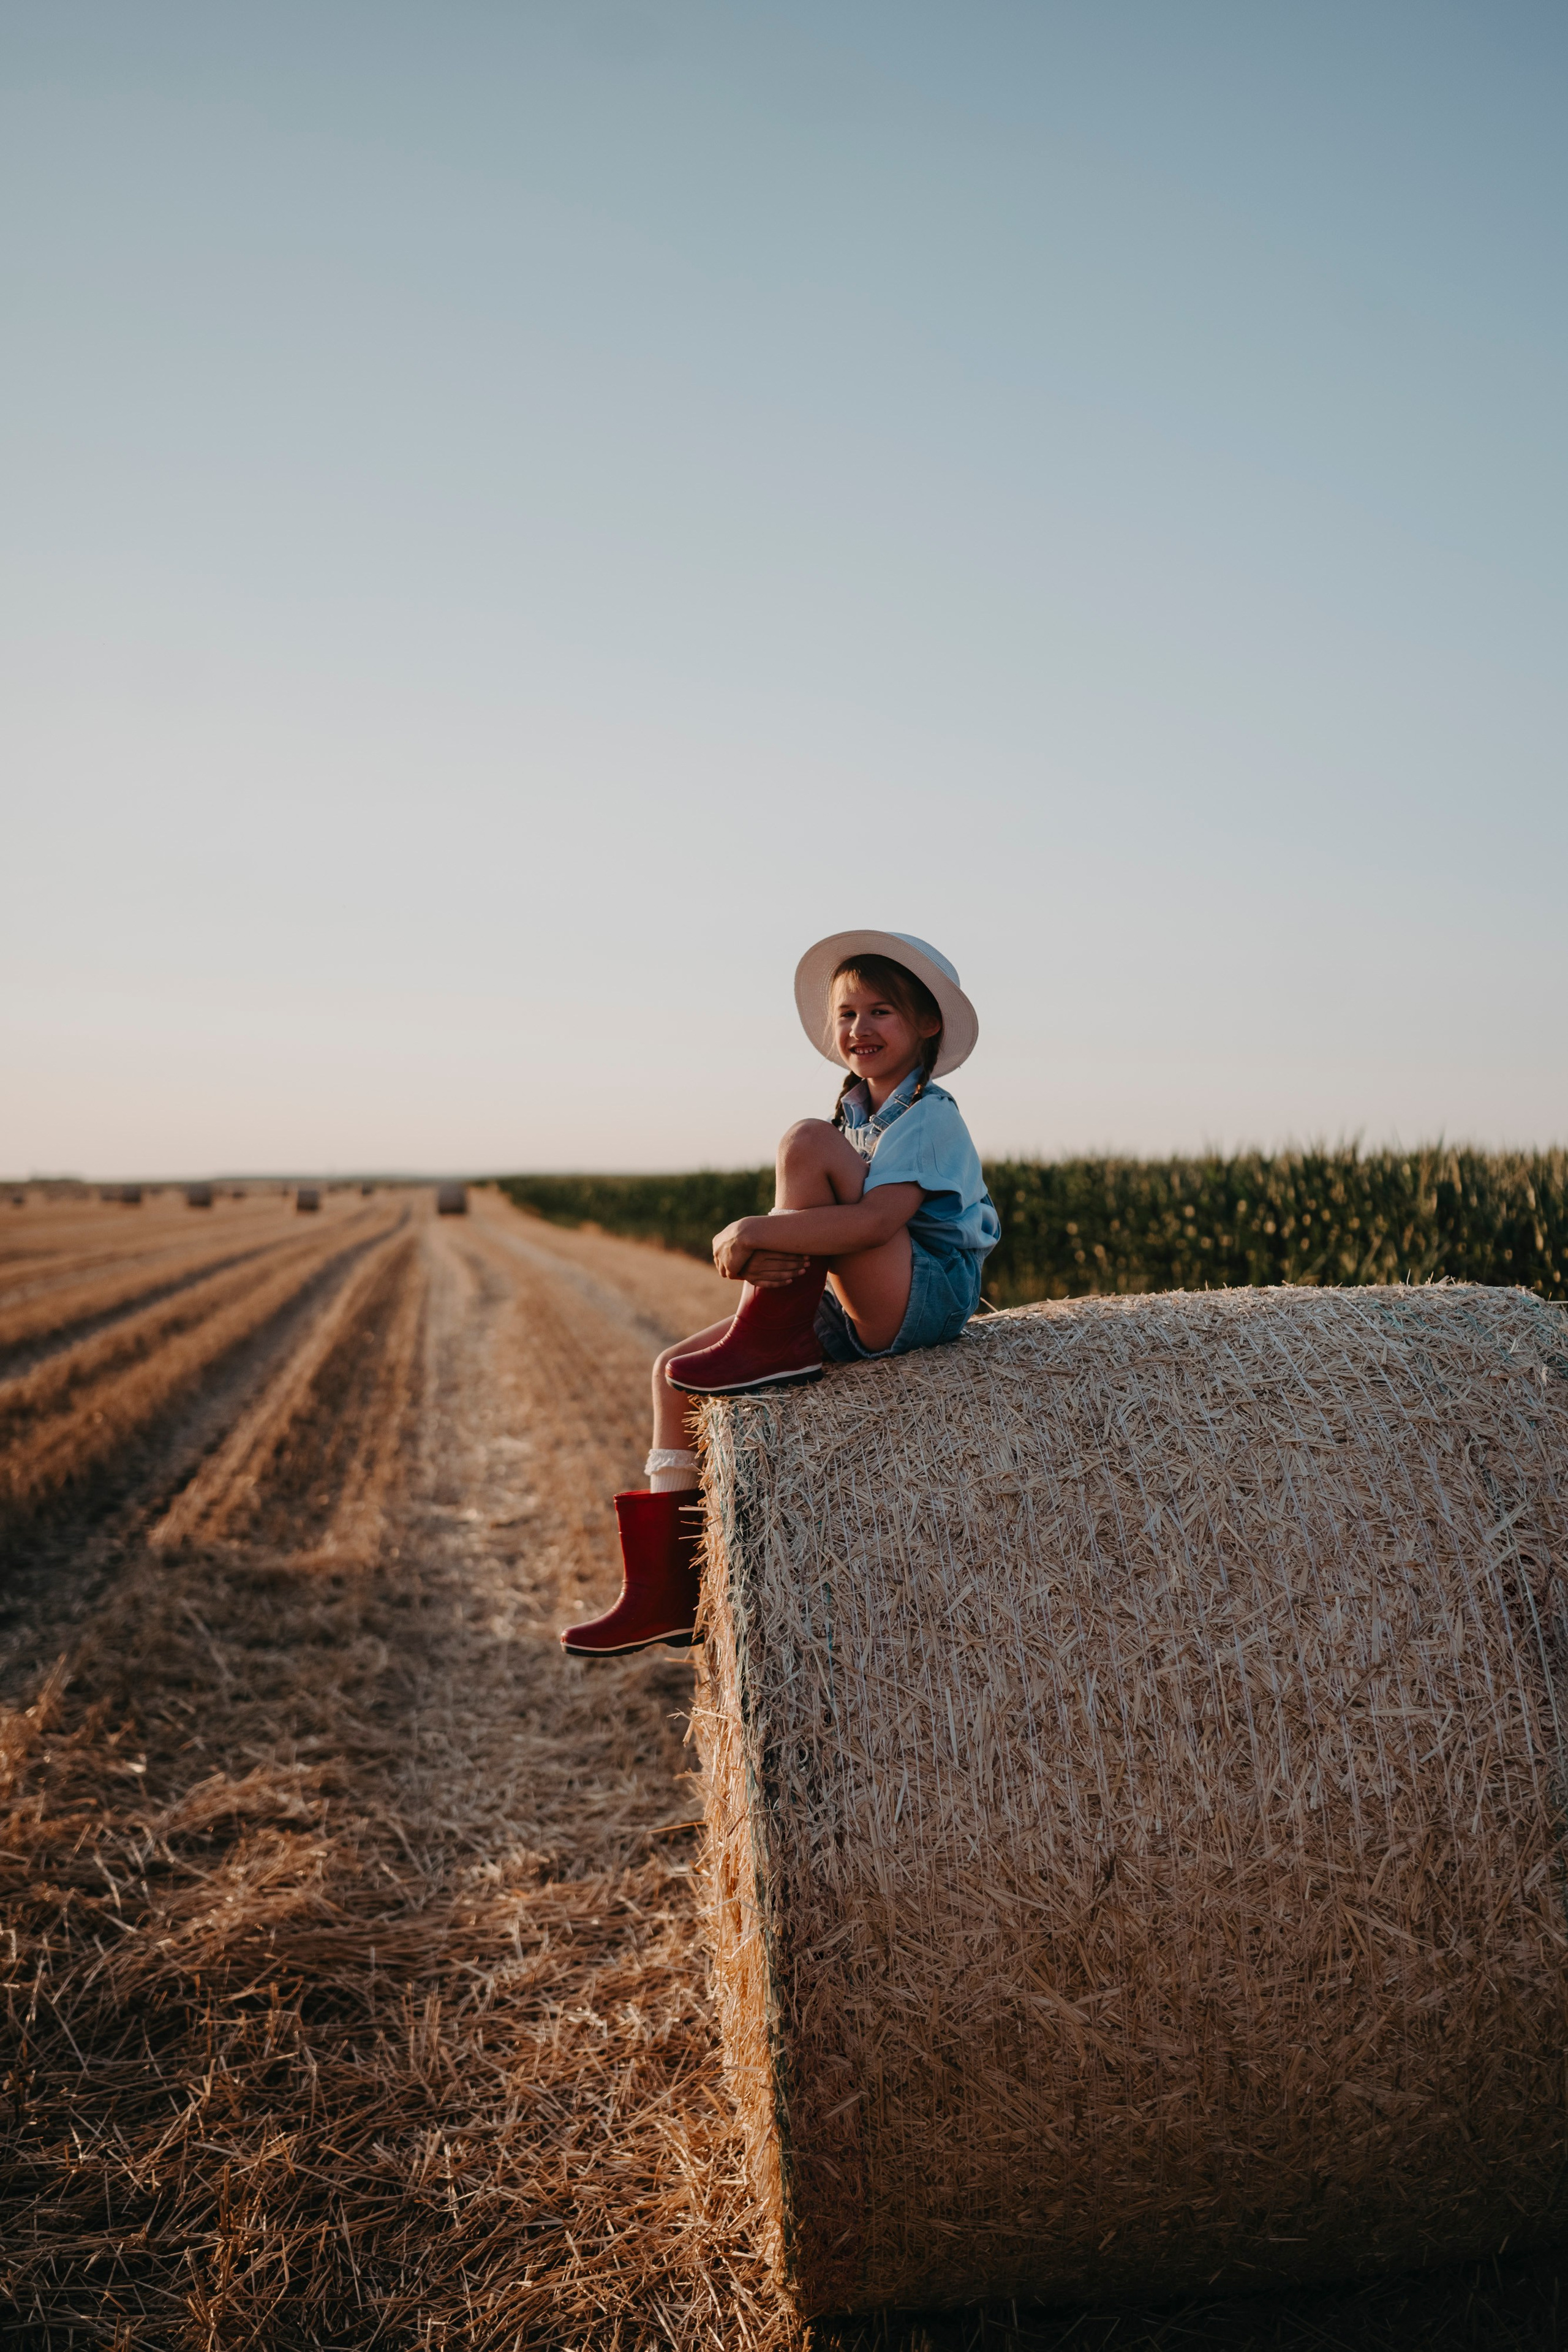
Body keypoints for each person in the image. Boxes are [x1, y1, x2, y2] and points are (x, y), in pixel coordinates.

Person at [560, 930, 1000, 1658]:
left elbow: (875, 1222)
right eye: (848, 1013)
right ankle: (664, 1595)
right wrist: (774, 1246)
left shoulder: (930, 1117)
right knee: (671, 1374)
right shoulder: (854, 1115)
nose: (860, 1028)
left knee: (801, 1144)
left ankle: (768, 1342)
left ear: (928, 1025)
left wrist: (755, 1230)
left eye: (881, 1012)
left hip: (924, 1293)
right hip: (864, 1293)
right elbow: (840, 1231)